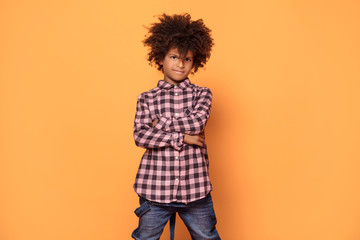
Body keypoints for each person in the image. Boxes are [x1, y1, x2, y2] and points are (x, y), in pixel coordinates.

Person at [132, 13, 221, 240]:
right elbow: (141, 136)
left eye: (187, 59)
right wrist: (181, 138)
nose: (180, 64)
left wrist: (160, 124)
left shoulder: (202, 94)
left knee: (207, 237)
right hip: (155, 190)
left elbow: (197, 122)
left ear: (195, 61)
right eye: (173, 57)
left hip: (195, 190)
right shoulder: (146, 98)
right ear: (160, 58)